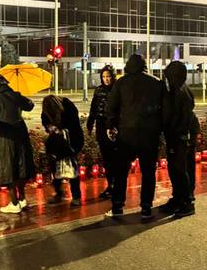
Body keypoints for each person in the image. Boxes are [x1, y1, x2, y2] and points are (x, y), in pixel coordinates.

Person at [105, 53, 164, 221]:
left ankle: (117, 206)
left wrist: (111, 126)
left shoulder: (122, 82)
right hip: (149, 133)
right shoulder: (156, 83)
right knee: (148, 172)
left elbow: (112, 107)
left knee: (121, 171)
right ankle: (146, 207)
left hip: (127, 133)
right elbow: (162, 108)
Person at [0, 79, 35, 213]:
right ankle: (22, 199)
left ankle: (14, 203)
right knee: (21, 165)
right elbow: (30, 106)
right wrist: (18, 98)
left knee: (9, 166)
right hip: (21, 133)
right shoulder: (14, 94)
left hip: (6, 135)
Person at [160, 60, 196, 218]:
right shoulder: (182, 88)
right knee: (176, 169)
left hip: (178, 136)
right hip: (178, 135)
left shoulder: (179, 91)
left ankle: (186, 202)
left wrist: (171, 130)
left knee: (179, 170)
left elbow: (179, 116)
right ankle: (178, 198)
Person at [41, 94, 85, 206]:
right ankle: (59, 193)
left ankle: (76, 196)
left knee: (72, 168)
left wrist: (62, 130)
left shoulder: (68, 106)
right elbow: (45, 120)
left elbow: (74, 125)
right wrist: (49, 127)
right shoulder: (47, 108)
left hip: (71, 141)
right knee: (55, 168)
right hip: (56, 143)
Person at [86, 65, 117, 199]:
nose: (106, 79)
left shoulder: (117, 89)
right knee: (106, 158)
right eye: (104, 77)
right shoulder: (98, 90)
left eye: (109, 76)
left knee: (114, 158)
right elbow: (94, 107)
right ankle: (110, 185)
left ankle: (116, 185)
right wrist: (90, 122)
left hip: (114, 127)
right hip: (101, 126)